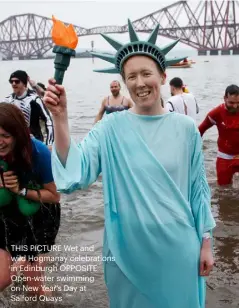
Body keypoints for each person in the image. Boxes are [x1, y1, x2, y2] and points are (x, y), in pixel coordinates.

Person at [44, 20, 215, 308]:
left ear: (162, 76)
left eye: (146, 73)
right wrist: (61, 118)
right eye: (130, 76)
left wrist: (206, 243)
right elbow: (75, 172)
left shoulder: (187, 129)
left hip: (178, 249)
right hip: (126, 253)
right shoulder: (110, 128)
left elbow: (199, 191)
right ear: (123, 81)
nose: (138, 83)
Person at [0, 103, 60, 294]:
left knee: (35, 290)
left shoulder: (39, 152)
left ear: (18, 135)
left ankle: (26, 262)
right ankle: (20, 263)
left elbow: (54, 196)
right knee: (2, 280)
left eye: (5, 136)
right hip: (5, 212)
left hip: (37, 214)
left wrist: (21, 190)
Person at [199, 84, 239, 186]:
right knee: (223, 188)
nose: (235, 106)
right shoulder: (216, 113)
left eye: (238, 103)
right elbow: (200, 130)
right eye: (231, 102)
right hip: (225, 156)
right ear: (225, 98)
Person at [3, 70, 54, 145]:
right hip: (14, 142)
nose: (13, 84)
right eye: (11, 81)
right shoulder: (7, 100)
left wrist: (49, 143)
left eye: (17, 81)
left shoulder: (35, 99)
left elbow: (48, 120)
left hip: (34, 141)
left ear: (24, 83)